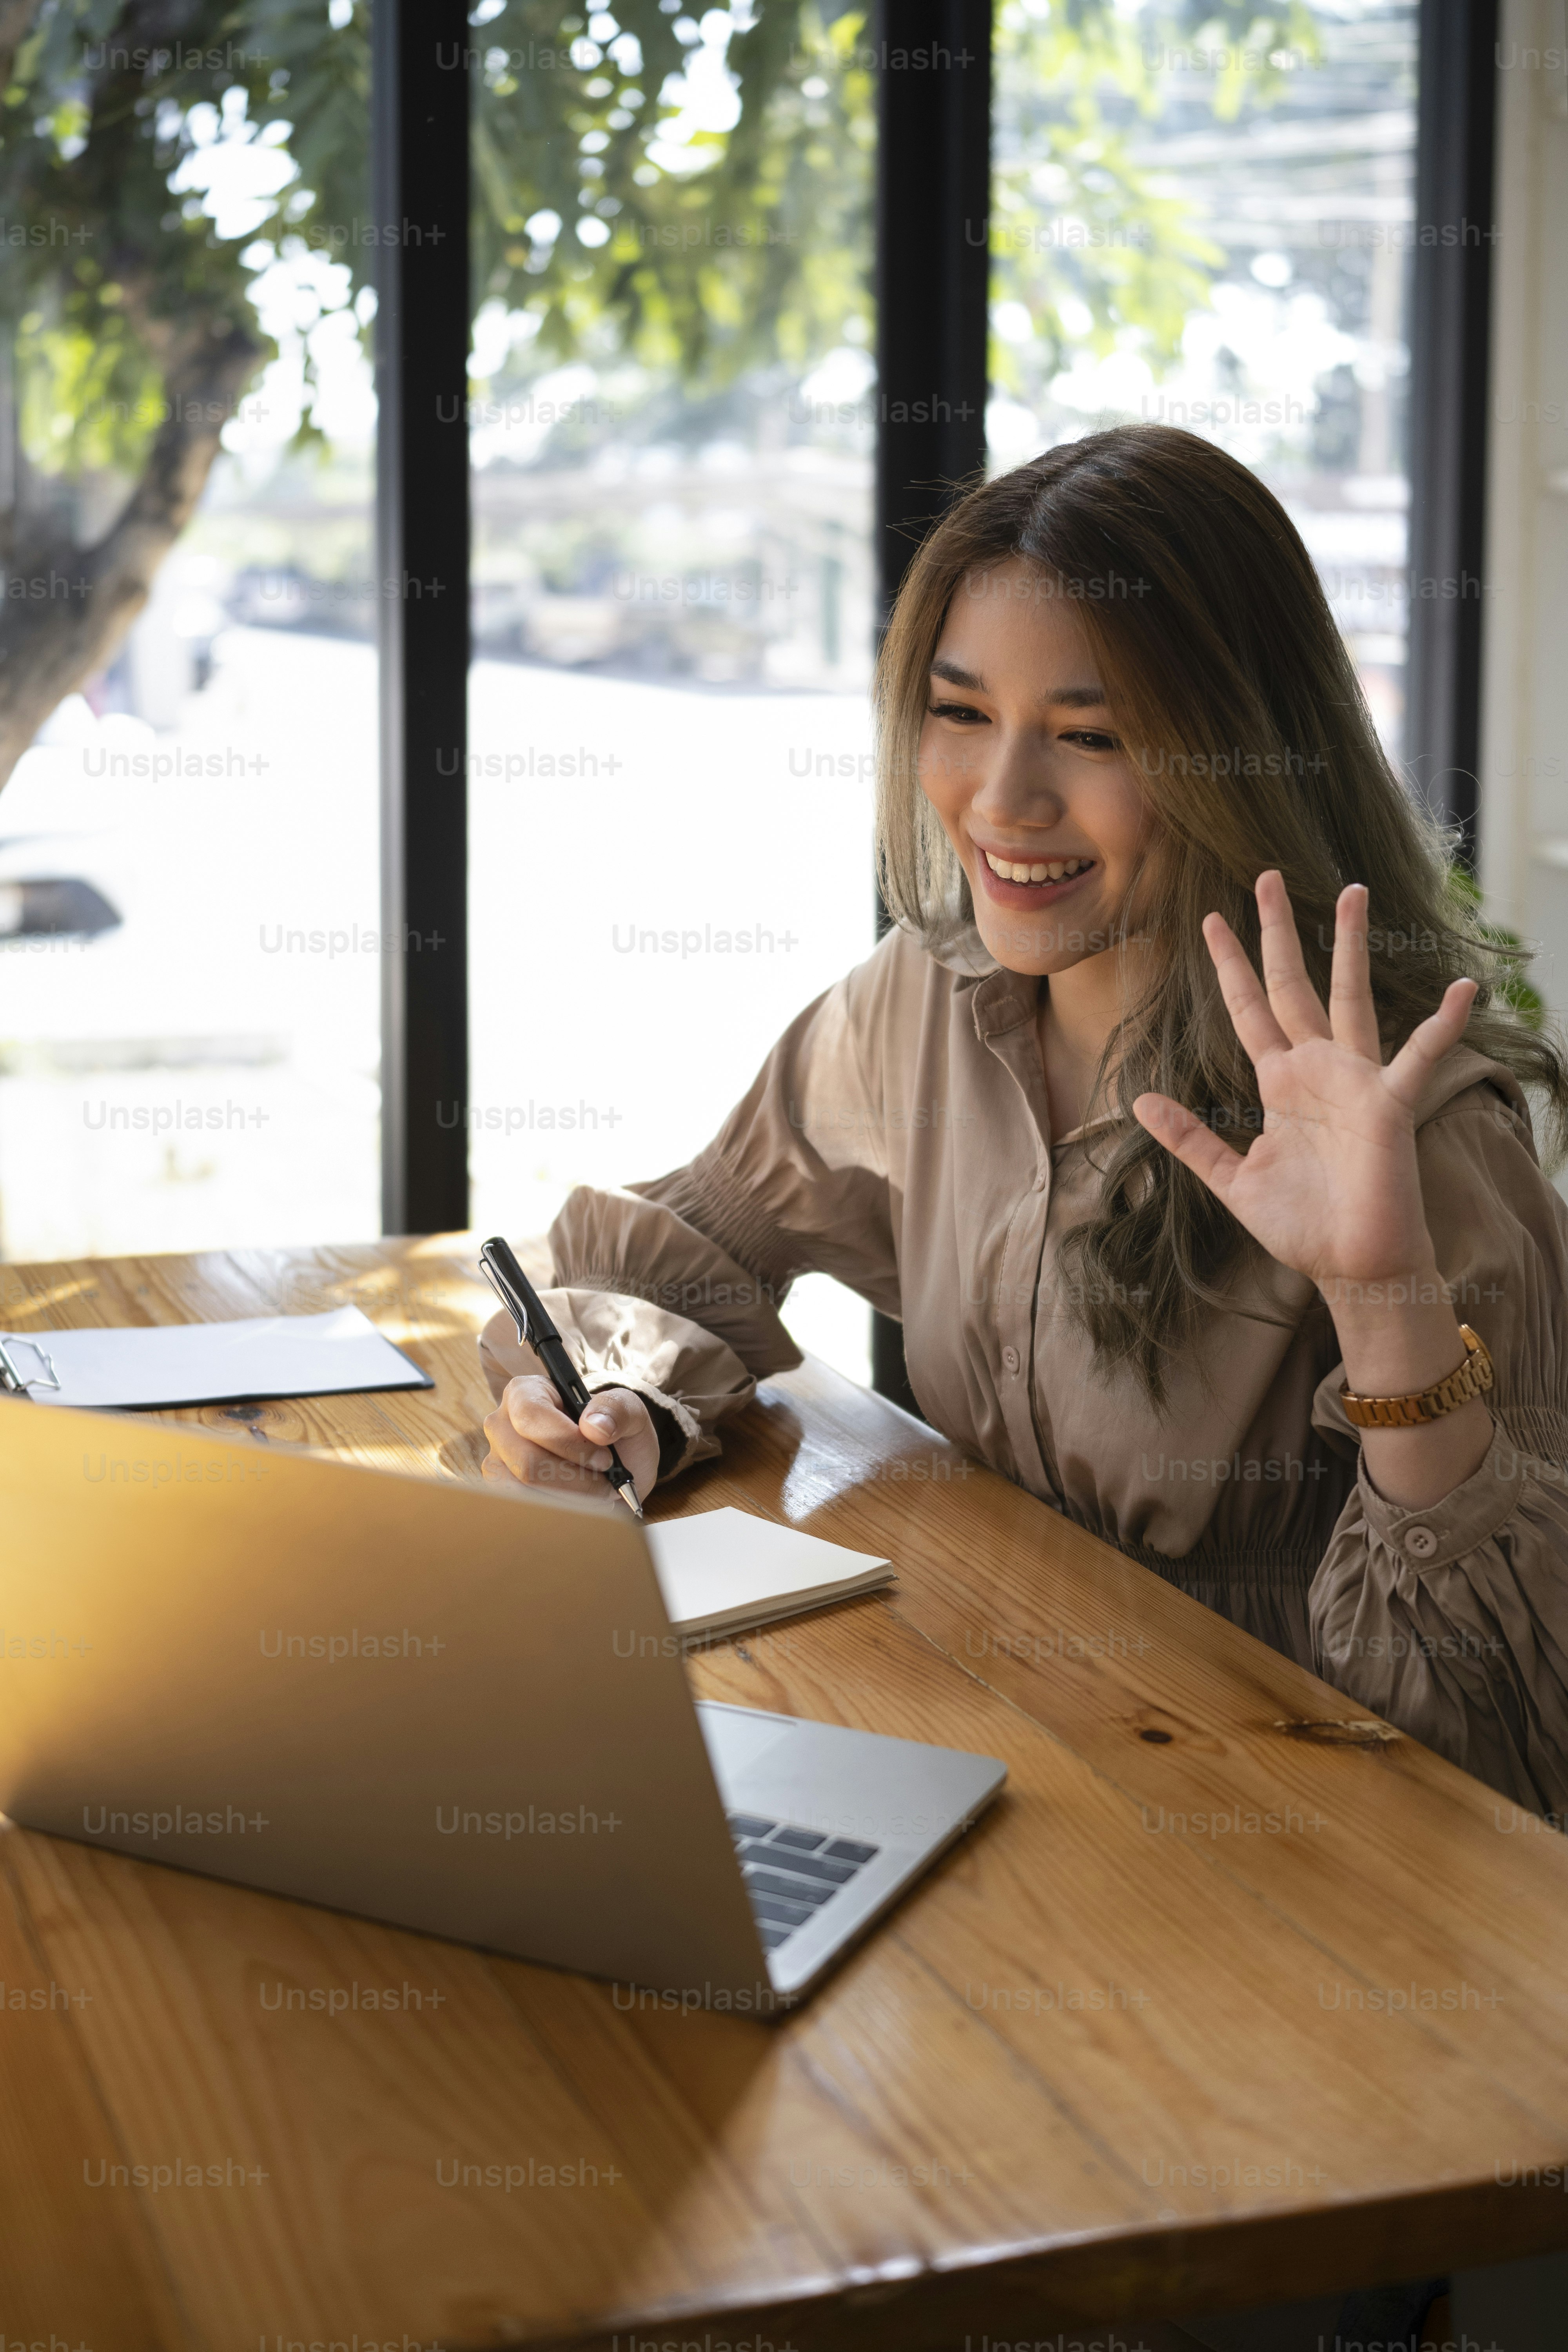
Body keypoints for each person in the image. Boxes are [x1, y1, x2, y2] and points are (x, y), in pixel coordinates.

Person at [479, 423, 1568, 1826]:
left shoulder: (1411, 1132)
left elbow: (1507, 1748)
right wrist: (618, 1398)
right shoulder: (923, 1005)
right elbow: (685, 1241)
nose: (1002, 802)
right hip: (986, 1766)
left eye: (1092, 735)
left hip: (1287, 1867)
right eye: (960, 713)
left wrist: (1387, 1307)